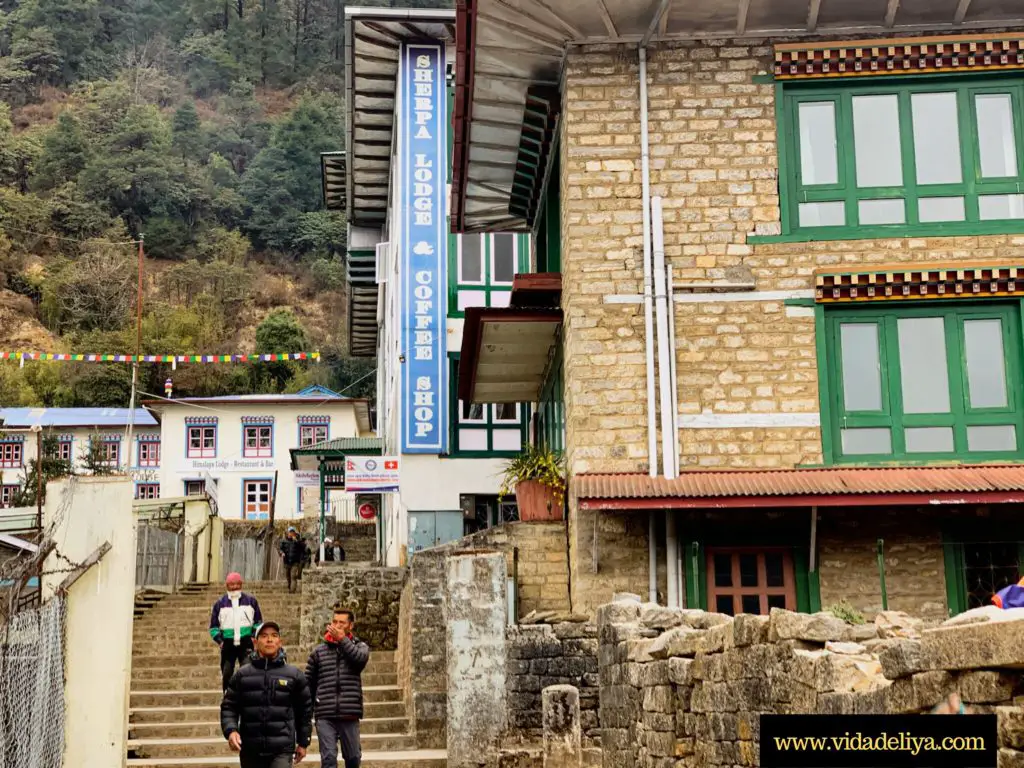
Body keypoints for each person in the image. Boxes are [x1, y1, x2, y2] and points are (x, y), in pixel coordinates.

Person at [221, 621, 313, 768]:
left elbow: (304, 711)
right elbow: (229, 707)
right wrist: (231, 730)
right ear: (255, 642)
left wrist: (303, 742)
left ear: (280, 642)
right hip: (250, 748)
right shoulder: (242, 675)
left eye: (274, 635)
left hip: (282, 749)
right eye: (264, 636)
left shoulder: (294, 675)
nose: (269, 640)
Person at [305, 608, 370, 768]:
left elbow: (359, 660)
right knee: (328, 758)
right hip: (325, 713)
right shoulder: (318, 652)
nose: (337, 625)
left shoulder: (360, 647)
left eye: (342, 622)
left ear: (350, 626)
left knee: (353, 757)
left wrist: (342, 640)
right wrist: (307, 712)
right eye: (335, 622)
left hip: (349, 713)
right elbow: (308, 684)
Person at [210, 573, 263, 693]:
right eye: (231, 584)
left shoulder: (251, 601)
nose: (234, 587)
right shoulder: (220, 604)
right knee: (227, 672)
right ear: (226, 585)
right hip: (228, 644)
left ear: (241, 584)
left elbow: (258, 622)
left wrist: (253, 636)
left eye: (237, 584)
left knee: (248, 671)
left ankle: (247, 697)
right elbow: (213, 627)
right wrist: (220, 641)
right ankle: (228, 696)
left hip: (246, 642)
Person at [278, 527, 308, 593]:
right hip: (286, 561)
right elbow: (280, 549)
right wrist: (281, 553)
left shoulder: (298, 540)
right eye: (290, 532)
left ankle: (292, 591)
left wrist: (297, 541)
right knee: (288, 576)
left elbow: (303, 547)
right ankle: (290, 586)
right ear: (288, 533)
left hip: (295, 562)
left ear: (294, 533)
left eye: (293, 532)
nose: (291, 533)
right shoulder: (284, 541)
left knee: (293, 576)